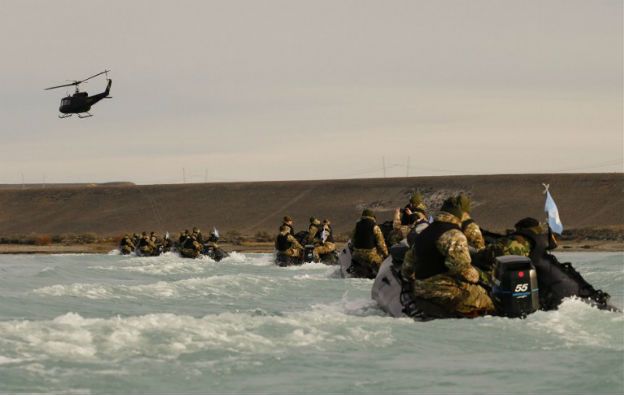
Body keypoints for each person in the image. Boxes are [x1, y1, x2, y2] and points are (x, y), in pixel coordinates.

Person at [401, 196, 494, 317]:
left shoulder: (424, 233)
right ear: (458, 216)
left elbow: (407, 269)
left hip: (421, 291)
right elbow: (464, 271)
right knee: (489, 301)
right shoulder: (454, 235)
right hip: (445, 292)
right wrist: (483, 276)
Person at [351, 208, 389, 277]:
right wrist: (386, 255)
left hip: (357, 254)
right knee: (381, 264)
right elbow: (381, 243)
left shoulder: (357, 225)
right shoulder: (375, 226)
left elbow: (352, 240)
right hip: (370, 255)